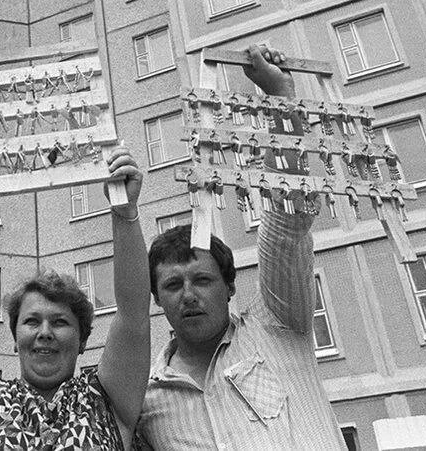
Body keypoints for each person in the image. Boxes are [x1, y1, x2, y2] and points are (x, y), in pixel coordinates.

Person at [135, 45, 346, 449]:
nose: (189, 295)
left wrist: (280, 101)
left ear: (230, 286)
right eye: (173, 285)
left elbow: (286, 225)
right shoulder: (149, 404)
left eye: (202, 280)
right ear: (157, 299)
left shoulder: (278, 326)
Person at [0, 148, 151, 449]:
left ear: (83, 340)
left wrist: (125, 213)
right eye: (32, 321)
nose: (45, 332)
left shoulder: (109, 400)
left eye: (60, 322)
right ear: (15, 338)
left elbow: (133, 314)